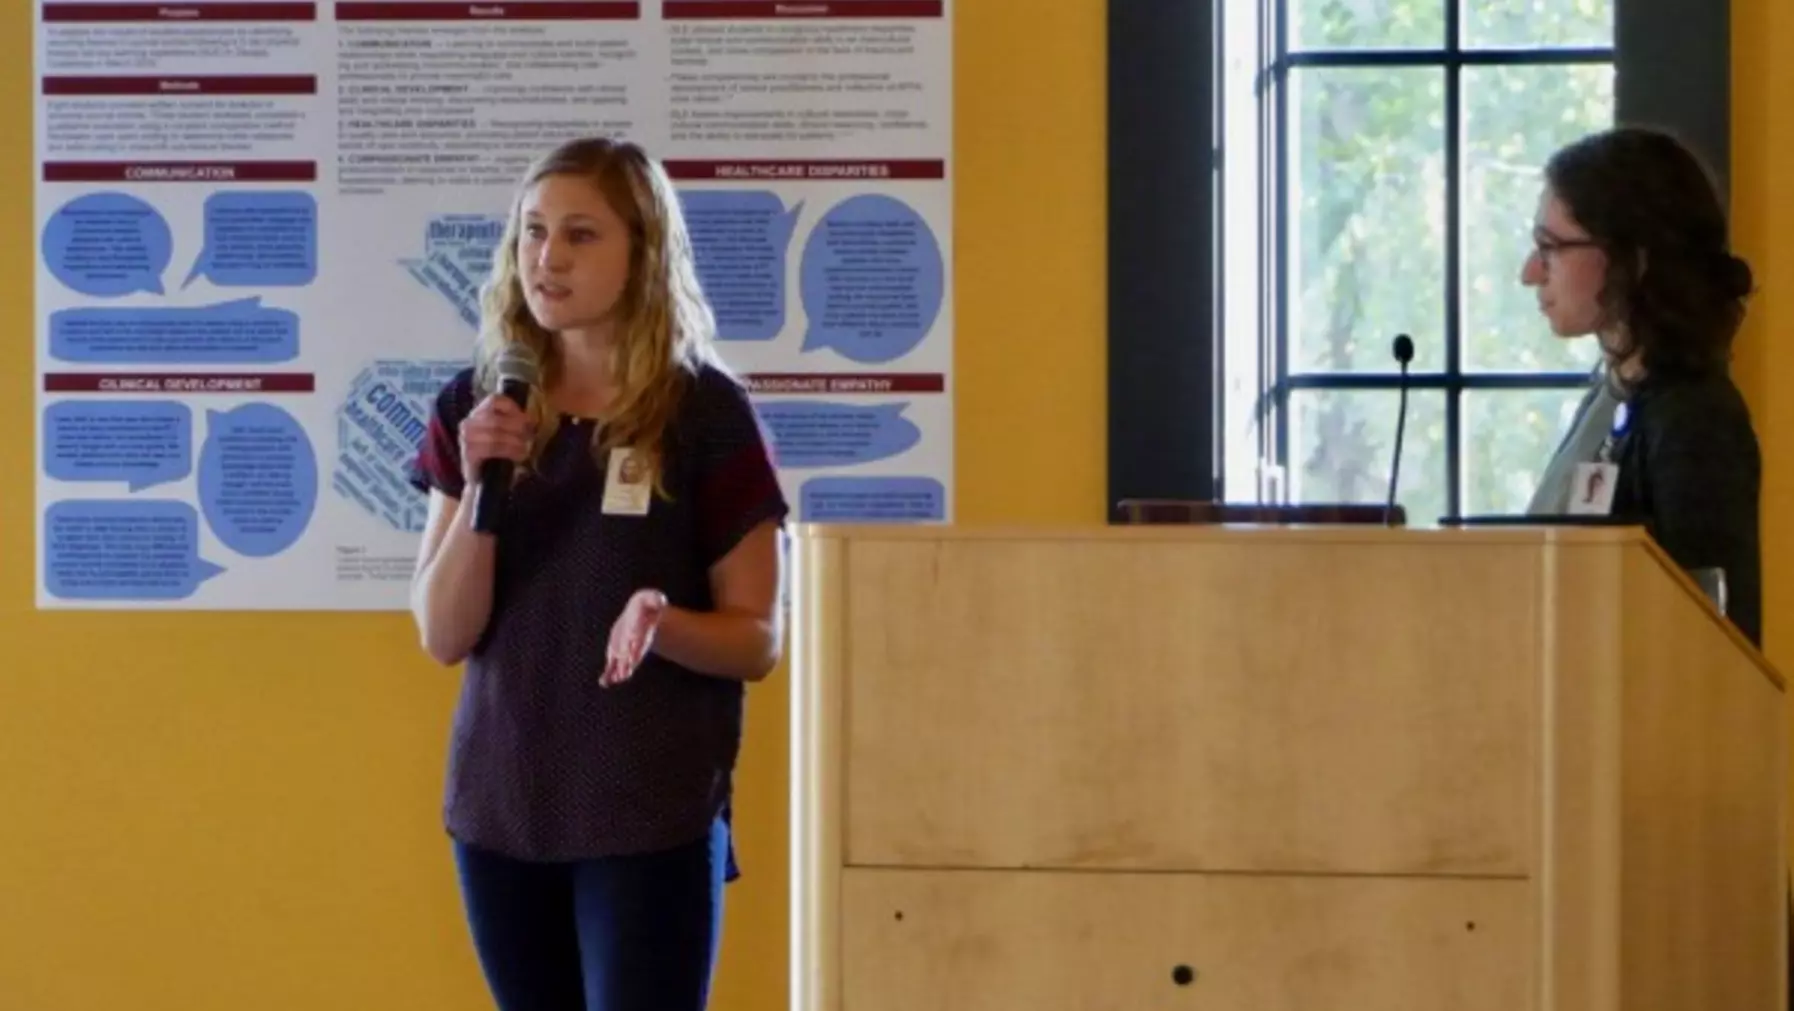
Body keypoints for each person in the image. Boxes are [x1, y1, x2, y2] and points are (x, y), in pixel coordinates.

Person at [406, 136, 789, 1011]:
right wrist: (478, 489)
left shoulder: (705, 414)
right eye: (533, 232)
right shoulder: (476, 405)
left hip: (647, 810)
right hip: (503, 807)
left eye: (581, 234)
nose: (548, 257)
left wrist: (665, 620)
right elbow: (442, 633)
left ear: (643, 250)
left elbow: (758, 638)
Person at [1520, 125, 1762, 648]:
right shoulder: (1612, 396)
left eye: (1550, 247)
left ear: (1633, 256)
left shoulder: (1696, 420)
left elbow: (1713, 646)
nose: (1530, 273)